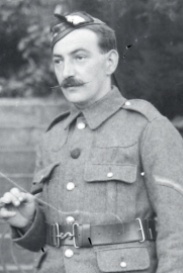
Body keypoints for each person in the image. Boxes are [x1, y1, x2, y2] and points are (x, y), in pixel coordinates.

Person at [1, 9, 183, 273]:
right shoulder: (53, 137)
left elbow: (178, 229)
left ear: (110, 62)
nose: (67, 72)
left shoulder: (148, 127)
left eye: (79, 57)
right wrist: (28, 220)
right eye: (58, 61)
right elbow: (52, 236)